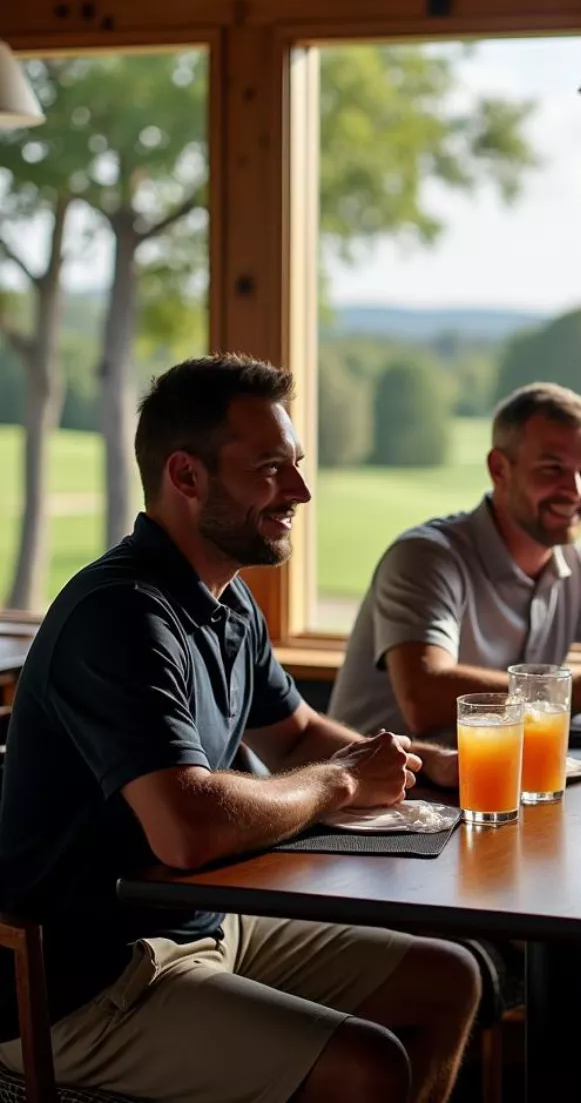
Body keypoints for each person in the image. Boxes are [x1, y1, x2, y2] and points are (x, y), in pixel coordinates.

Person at [0, 355, 481, 1103]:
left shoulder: (224, 595)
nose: (300, 491)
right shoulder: (121, 616)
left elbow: (291, 735)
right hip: (88, 982)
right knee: (366, 1067)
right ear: (187, 477)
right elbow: (185, 828)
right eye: (270, 469)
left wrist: (432, 763)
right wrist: (344, 781)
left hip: (201, 926)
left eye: (295, 466)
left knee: (446, 978)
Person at [330, 381, 581, 1068]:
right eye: (552, 469)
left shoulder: (576, 567)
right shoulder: (429, 557)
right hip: (389, 825)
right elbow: (423, 693)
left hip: (498, 821)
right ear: (498, 469)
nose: (575, 487)